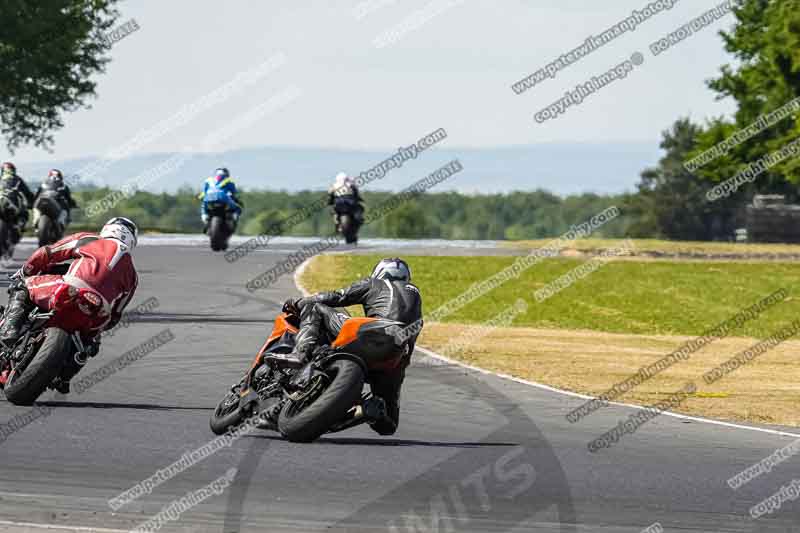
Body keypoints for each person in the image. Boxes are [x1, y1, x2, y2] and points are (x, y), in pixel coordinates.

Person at [281, 258, 422, 435]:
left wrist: (299, 303)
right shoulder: (416, 297)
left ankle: (300, 353)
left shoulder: (374, 283)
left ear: (379, 273)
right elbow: (410, 343)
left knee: (315, 307)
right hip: (395, 355)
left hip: (371, 332)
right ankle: (365, 410)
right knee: (389, 424)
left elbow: (337, 296)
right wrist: (396, 374)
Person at [0, 217, 139, 393]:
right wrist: (99, 329)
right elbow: (116, 314)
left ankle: (9, 329)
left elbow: (47, 253)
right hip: (99, 311)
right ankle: (65, 377)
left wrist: (25, 271)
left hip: (70, 288)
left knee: (23, 286)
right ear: (132, 241)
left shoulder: (89, 239)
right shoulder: (133, 276)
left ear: (108, 229)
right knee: (90, 342)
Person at [198, 167, 243, 232]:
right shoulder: (229, 180)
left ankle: (205, 221)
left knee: (203, 209)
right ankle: (234, 221)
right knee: (237, 209)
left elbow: (204, 193)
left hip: (208, 198)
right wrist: (237, 200)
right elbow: (234, 192)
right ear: (227, 174)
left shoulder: (208, 180)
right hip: (223, 198)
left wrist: (199, 197)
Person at [0, 162, 35, 245]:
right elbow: (27, 193)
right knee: (24, 214)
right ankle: (20, 226)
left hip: (5, 204)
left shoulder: (1, 178)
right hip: (13, 204)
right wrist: (31, 203)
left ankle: (18, 227)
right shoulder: (17, 179)